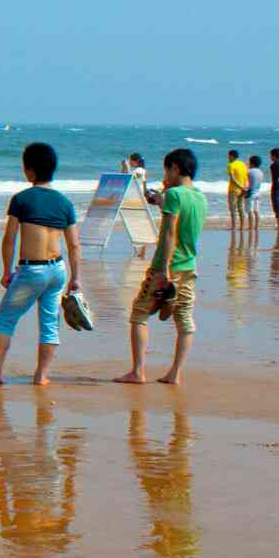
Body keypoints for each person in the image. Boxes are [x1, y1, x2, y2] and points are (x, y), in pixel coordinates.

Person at [0, 141, 84, 387]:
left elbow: (9, 239)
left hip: (31, 269)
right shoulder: (65, 203)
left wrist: (6, 271)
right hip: (57, 269)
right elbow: (75, 246)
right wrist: (75, 277)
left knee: (5, 319)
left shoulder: (22, 199)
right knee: (49, 324)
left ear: (31, 170)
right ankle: (42, 375)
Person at [117, 148, 204, 385]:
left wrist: (163, 269)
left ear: (175, 168)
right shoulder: (199, 196)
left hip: (168, 265)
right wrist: (162, 202)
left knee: (139, 314)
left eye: (167, 169)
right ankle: (175, 373)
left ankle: (137, 371)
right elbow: (186, 227)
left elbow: (169, 234)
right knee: (184, 319)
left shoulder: (174, 195)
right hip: (189, 265)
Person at [226, 149, 249, 234]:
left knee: (233, 209)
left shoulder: (230, 165)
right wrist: (244, 187)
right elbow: (246, 177)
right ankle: (242, 226)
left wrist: (240, 187)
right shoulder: (243, 164)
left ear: (232, 156)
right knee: (241, 208)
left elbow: (232, 179)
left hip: (234, 190)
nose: (228, 158)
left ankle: (234, 227)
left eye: (228, 156)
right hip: (243, 189)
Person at [243, 154, 264, 236]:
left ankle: (250, 227)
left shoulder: (249, 171)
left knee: (250, 211)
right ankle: (256, 227)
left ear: (251, 163)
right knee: (256, 211)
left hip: (251, 192)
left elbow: (247, 183)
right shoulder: (260, 172)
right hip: (258, 192)